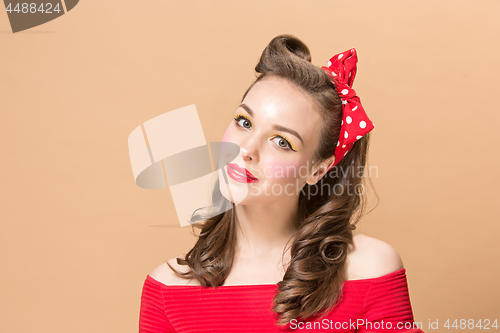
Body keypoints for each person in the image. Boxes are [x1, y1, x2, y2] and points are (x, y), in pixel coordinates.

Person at [138, 34, 425, 333]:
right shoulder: (167, 288)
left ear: (318, 170)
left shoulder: (370, 271)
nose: (246, 149)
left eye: (281, 141)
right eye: (244, 122)